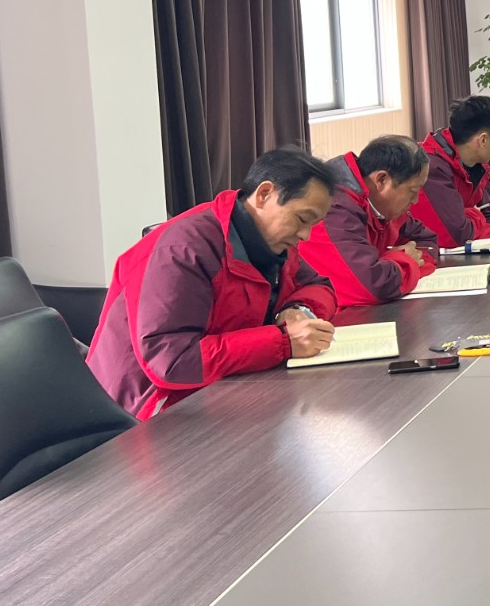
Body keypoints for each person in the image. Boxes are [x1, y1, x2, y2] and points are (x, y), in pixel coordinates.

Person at [86, 149, 340, 420]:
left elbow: (319, 286)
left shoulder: (272, 244)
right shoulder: (183, 250)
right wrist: (283, 343)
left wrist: (296, 309)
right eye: (302, 219)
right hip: (148, 411)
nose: (305, 235)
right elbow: (171, 361)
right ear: (265, 194)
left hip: (226, 389)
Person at [297, 135, 440, 306]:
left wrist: (393, 265)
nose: (415, 200)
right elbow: (371, 288)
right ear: (382, 180)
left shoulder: (384, 207)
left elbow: (427, 242)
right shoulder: (333, 209)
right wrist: (404, 261)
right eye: (413, 190)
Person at [412, 96, 490, 248]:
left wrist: (468, 216)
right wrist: (475, 215)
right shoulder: (431, 168)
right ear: (483, 140)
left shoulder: (477, 167)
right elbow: (456, 237)